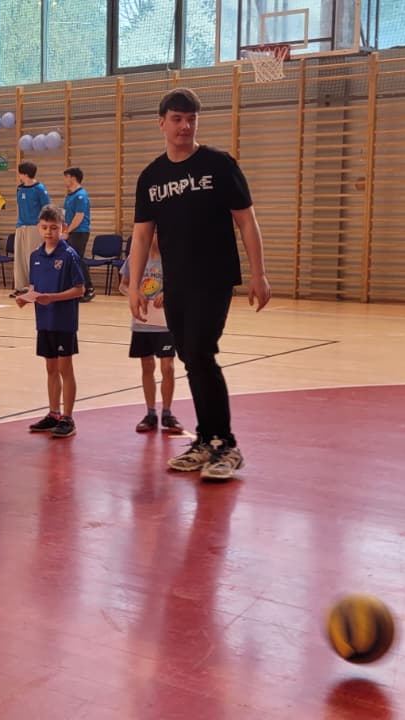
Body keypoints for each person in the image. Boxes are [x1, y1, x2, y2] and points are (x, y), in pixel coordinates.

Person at [125, 88, 272, 482]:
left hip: (214, 277)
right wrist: (135, 286)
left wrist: (258, 273)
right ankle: (207, 440)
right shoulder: (151, 176)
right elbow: (142, 235)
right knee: (191, 356)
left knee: (201, 352)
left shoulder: (219, 165)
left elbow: (246, 221)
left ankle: (225, 443)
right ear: (162, 123)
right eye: (177, 119)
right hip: (177, 282)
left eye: (191, 119)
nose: (185, 127)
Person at [17, 206, 87, 439]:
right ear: (39, 227)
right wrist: (26, 297)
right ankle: (54, 413)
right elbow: (35, 287)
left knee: (65, 368)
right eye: (45, 227)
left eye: (54, 228)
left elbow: (79, 289)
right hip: (44, 321)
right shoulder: (35, 256)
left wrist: (53, 298)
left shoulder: (69, 255)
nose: (48, 232)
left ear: (63, 228)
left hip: (64, 322)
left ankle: (68, 418)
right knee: (50, 368)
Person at [130, 234, 183, 434]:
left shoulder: (173, 259)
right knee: (147, 366)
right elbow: (124, 284)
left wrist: (169, 294)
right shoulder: (136, 257)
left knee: (167, 367)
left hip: (165, 322)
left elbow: (184, 285)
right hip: (143, 321)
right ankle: (150, 412)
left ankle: (167, 413)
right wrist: (135, 293)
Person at [11, 161, 50, 294]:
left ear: (25, 174)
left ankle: (35, 287)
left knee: (32, 258)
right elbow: (19, 206)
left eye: (19, 173)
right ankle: (21, 287)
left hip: (34, 227)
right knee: (20, 258)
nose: (18, 175)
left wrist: (43, 226)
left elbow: (47, 209)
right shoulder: (19, 189)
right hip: (21, 226)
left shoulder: (39, 188)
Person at [62, 167, 95, 302]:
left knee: (77, 259)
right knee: (70, 260)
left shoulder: (81, 195)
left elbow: (79, 216)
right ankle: (75, 289)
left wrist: (68, 231)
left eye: (67, 177)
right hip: (70, 231)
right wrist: (64, 230)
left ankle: (89, 288)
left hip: (79, 232)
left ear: (73, 178)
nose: (65, 180)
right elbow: (66, 216)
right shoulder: (69, 196)